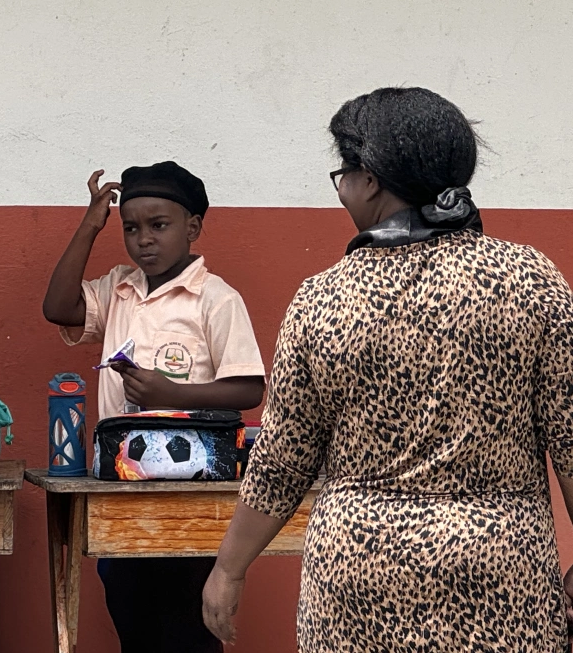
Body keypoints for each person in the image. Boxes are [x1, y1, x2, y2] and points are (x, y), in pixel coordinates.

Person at [203, 87, 573, 652]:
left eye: (343, 173)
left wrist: (229, 568)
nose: (342, 188)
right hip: (500, 573)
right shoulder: (531, 281)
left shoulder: (323, 299)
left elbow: (283, 458)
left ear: (370, 178)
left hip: (356, 578)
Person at [43, 162, 266, 653]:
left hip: (191, 500)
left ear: (192, 227)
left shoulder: (215, 298)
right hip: (121, 494)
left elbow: (250, 388)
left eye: (159, 225)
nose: (143, 239)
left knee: (188, 628)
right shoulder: (118, 289)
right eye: (131, 228)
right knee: (133, 619)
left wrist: (174, 395)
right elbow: (58, 307)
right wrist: (89, 224)